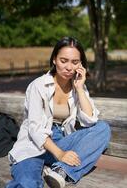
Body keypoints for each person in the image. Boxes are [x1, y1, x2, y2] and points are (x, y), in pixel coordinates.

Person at [6, 37, 111, 188]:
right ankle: (53, 166)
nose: (69, 67)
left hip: (62, 141)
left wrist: (80, 88)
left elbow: (90, 121)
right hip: (34, 146)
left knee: (103, 128)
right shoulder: (38, 86)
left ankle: (61, 172)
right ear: (54, 59)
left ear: (80, 64)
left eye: (75, 62)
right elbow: (35, 130)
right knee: (28, 183)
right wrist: (61, 154)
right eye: (64, 60)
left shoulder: (78, 85)